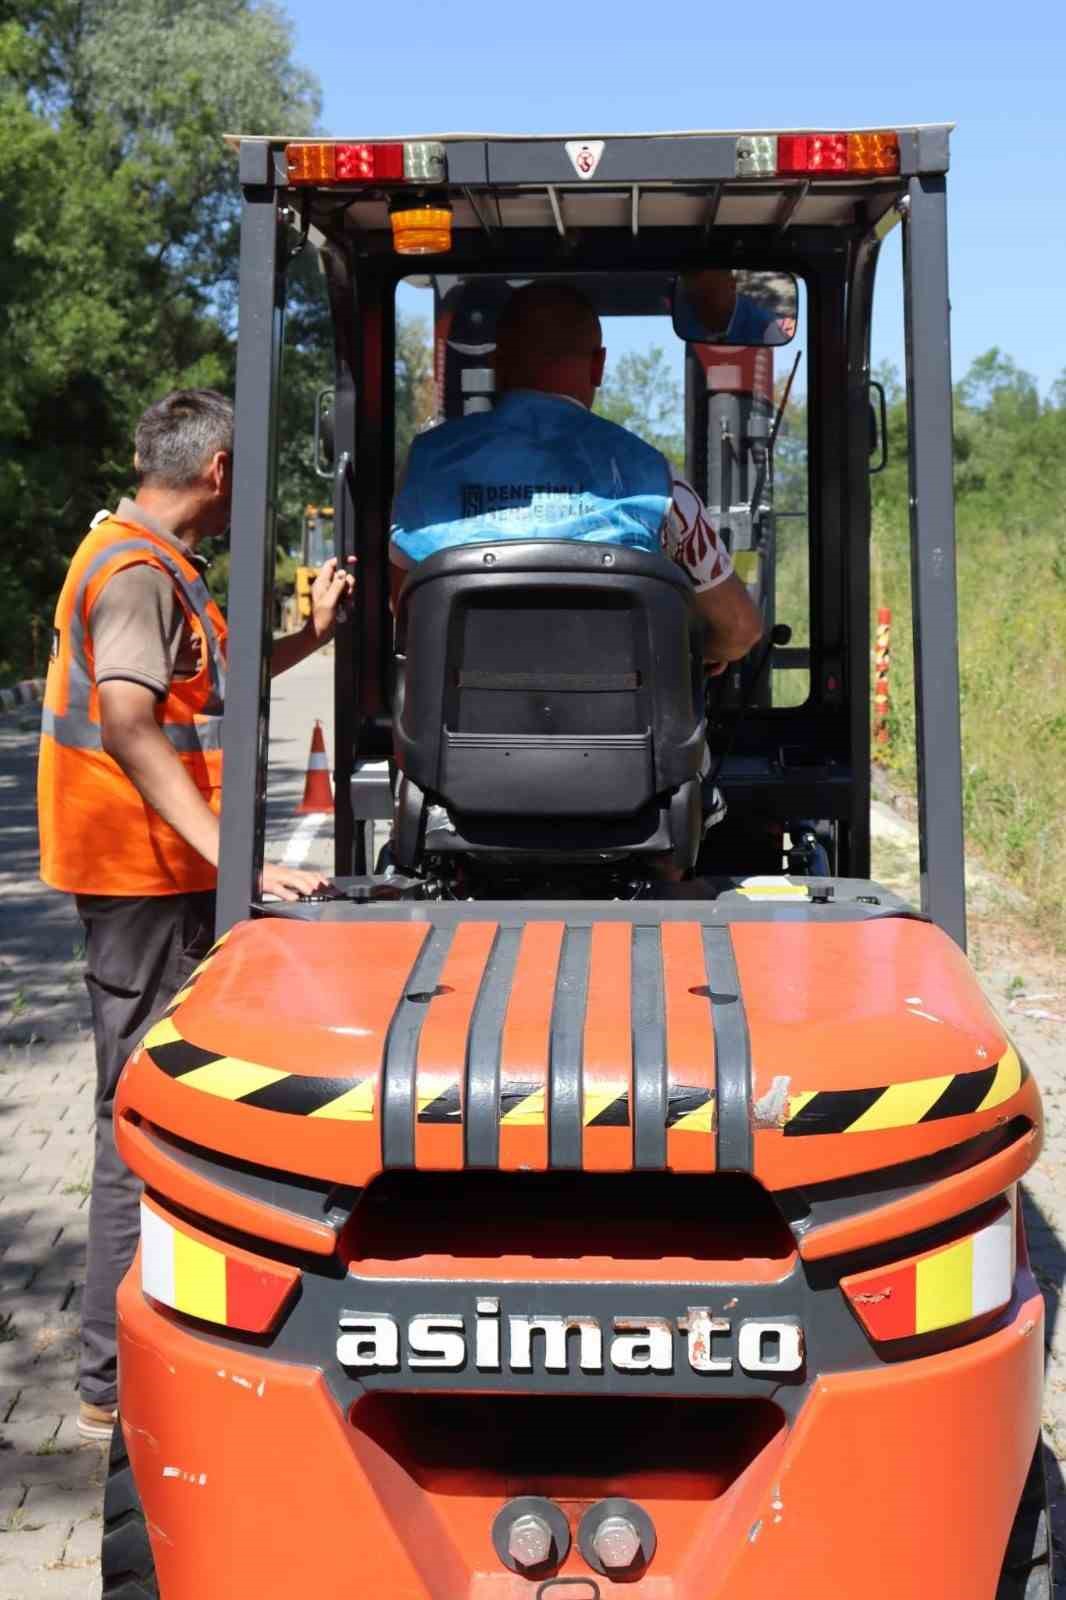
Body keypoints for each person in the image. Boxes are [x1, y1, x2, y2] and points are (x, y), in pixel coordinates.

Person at [36, 389, 353, 1442]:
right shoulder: (133, 572)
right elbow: (130, 722)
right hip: (141, 882)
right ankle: (109, 1380)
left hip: (160, 875)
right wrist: (237, 859)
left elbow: (203, 692)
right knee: (137, 1117)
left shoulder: (160, 565)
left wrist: (308, 637)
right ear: (220, 471)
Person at [390, 282, 763, 676]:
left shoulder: (426, 463)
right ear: (598, 365)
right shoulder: (655, 479)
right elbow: (740, 630)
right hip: (619, 716)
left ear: (495, 363)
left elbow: (404, 608)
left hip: (460, 714)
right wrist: (689, 649)